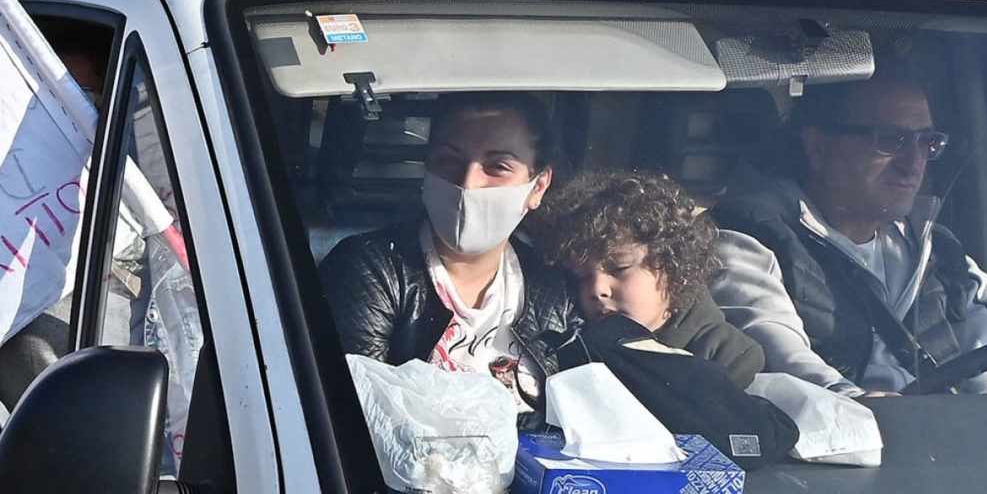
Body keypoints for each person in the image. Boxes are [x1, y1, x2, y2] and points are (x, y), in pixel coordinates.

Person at [712, 69, 987, 395]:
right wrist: (863, 409)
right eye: (891, 140)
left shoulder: (944, 257)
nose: (913, 165)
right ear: (819, 146)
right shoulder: (746, 242)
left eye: (927, 142)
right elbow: (790, 368)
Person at [321, 92, 576, 402]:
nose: (468, 182)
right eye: (449, 160)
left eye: (497, 166)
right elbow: (363, 412)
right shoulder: (371, 269)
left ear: (537, 187)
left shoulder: (554, 287)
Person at [537, 170, 765, 387]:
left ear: (672, 265)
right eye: (582, 276)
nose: (597, 289)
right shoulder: (573, 347)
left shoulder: (729, 356)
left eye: (620, 269)